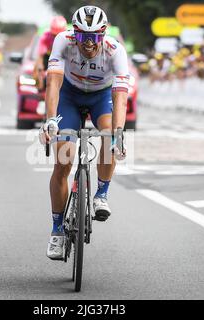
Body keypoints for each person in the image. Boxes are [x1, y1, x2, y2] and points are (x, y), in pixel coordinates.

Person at [38, 6, 129, 260]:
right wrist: (49, 121)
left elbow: (121, 98)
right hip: (70, 95)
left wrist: (119, 134)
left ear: (103, 34)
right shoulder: (62, 41)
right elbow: (54, 83)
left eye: (95, 37)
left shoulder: (115, 50)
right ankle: (57, 231)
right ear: (74, 33)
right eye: (82, 36)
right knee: (63, 160)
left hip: (102, 97)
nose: (88, 43)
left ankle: (101, 193)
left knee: (110, 135)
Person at [33, 15, 67, 91]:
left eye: (59, 35)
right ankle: (40, 88)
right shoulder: (45, 36)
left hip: (64, 57)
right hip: (49, 57)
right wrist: (39, 69)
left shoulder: (70, 37)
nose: (56, 38)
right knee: (37, 68)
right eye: (54, 35)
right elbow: (40, 56)